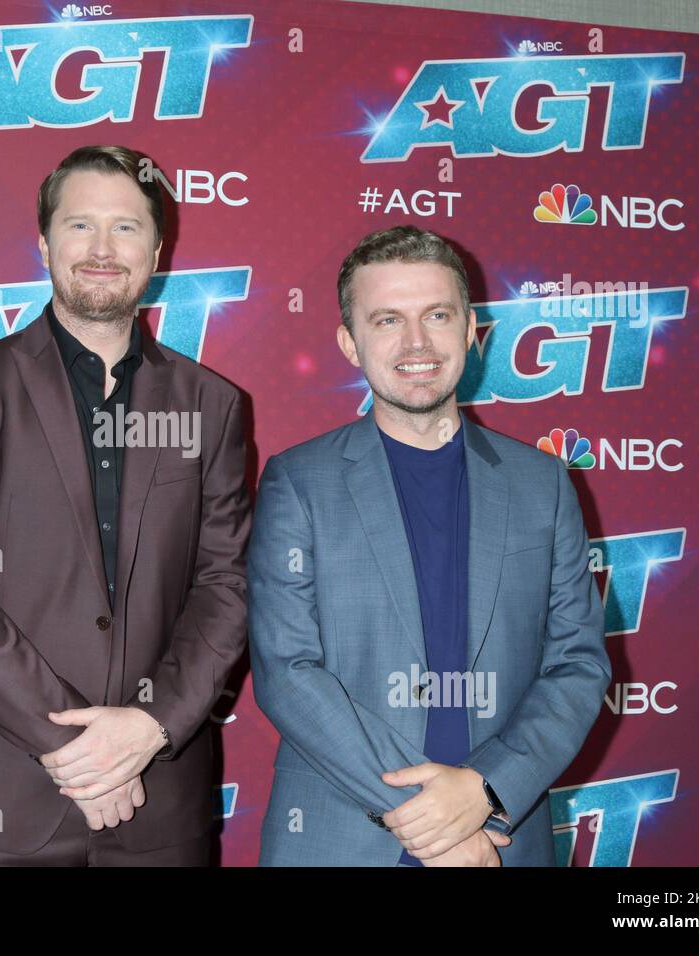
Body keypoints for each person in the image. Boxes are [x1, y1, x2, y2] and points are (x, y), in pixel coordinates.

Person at [0, 145, 251, 866]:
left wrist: (150, 727)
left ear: (156, 250)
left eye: (125, 228)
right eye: (79, 225)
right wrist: (74, 747)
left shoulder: (212, 406)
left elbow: (228, 584)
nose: (101, 249)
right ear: (43, 241)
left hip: (160, 800)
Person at [249, 225, 610, 866]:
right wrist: (436, 821)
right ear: (349, 343)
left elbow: (578, 666)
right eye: (387, 319)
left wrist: (483, 790)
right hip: (343, 839)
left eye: (437, 315)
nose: (416, 343)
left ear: (471, 330)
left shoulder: (542, 483)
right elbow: (288, 674)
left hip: (502, 835)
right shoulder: (298, 481)